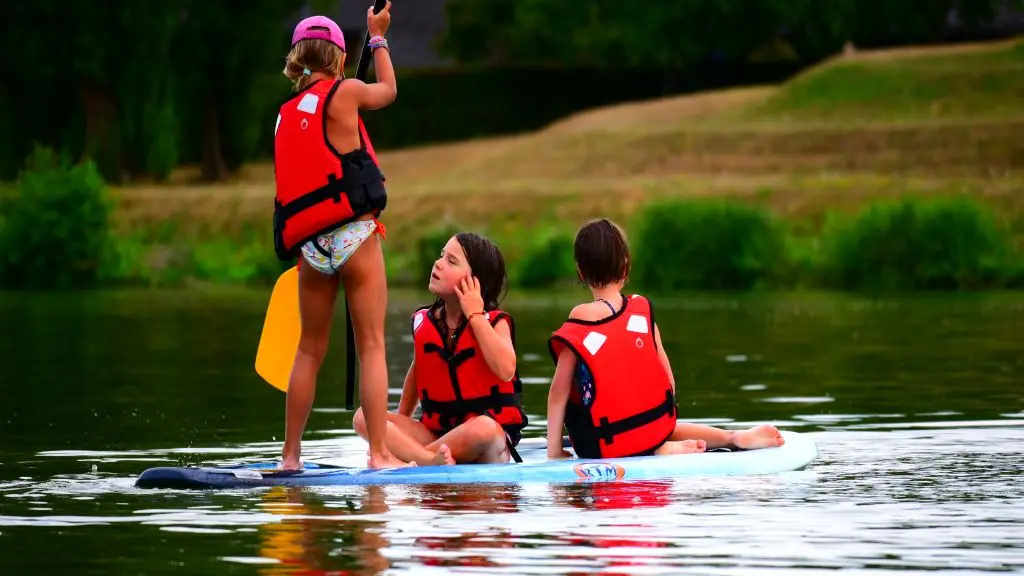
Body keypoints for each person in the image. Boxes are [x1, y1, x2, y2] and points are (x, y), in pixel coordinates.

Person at [273, 5, 412, 469]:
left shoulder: (284, 114)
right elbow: (389, 91)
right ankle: (378, 454)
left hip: (311, 245)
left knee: (309, 349)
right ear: (336, 55)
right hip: (354, 235)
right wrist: (377, 38)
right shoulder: (347, 90)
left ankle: (290, 456)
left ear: (298, 59)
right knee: (372, 344)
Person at [546, 218, 786, 460]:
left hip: (606, 445)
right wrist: (657, 422)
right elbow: (668, 381)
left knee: (598, 414)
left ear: (580, 270)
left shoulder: (580, 319)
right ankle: (731, 438)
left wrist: (554, 451)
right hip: (654, 426)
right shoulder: (640, 312)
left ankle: (657, 448)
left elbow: (559, 392)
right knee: (664, 428)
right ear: (625, 265)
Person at [354, 232, 529, 464]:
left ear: (475, 282)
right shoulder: (425, 322)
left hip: (484, 438)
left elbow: (506, 369)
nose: (438, 263)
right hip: (436, 435)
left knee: (484, 428)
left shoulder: (494, 322)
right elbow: (417, 375)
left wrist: (474, 314)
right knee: (364, 416)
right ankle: (425, 459)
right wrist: (399, 427)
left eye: (451, 261)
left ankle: (408, 460)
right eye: (441, 255)